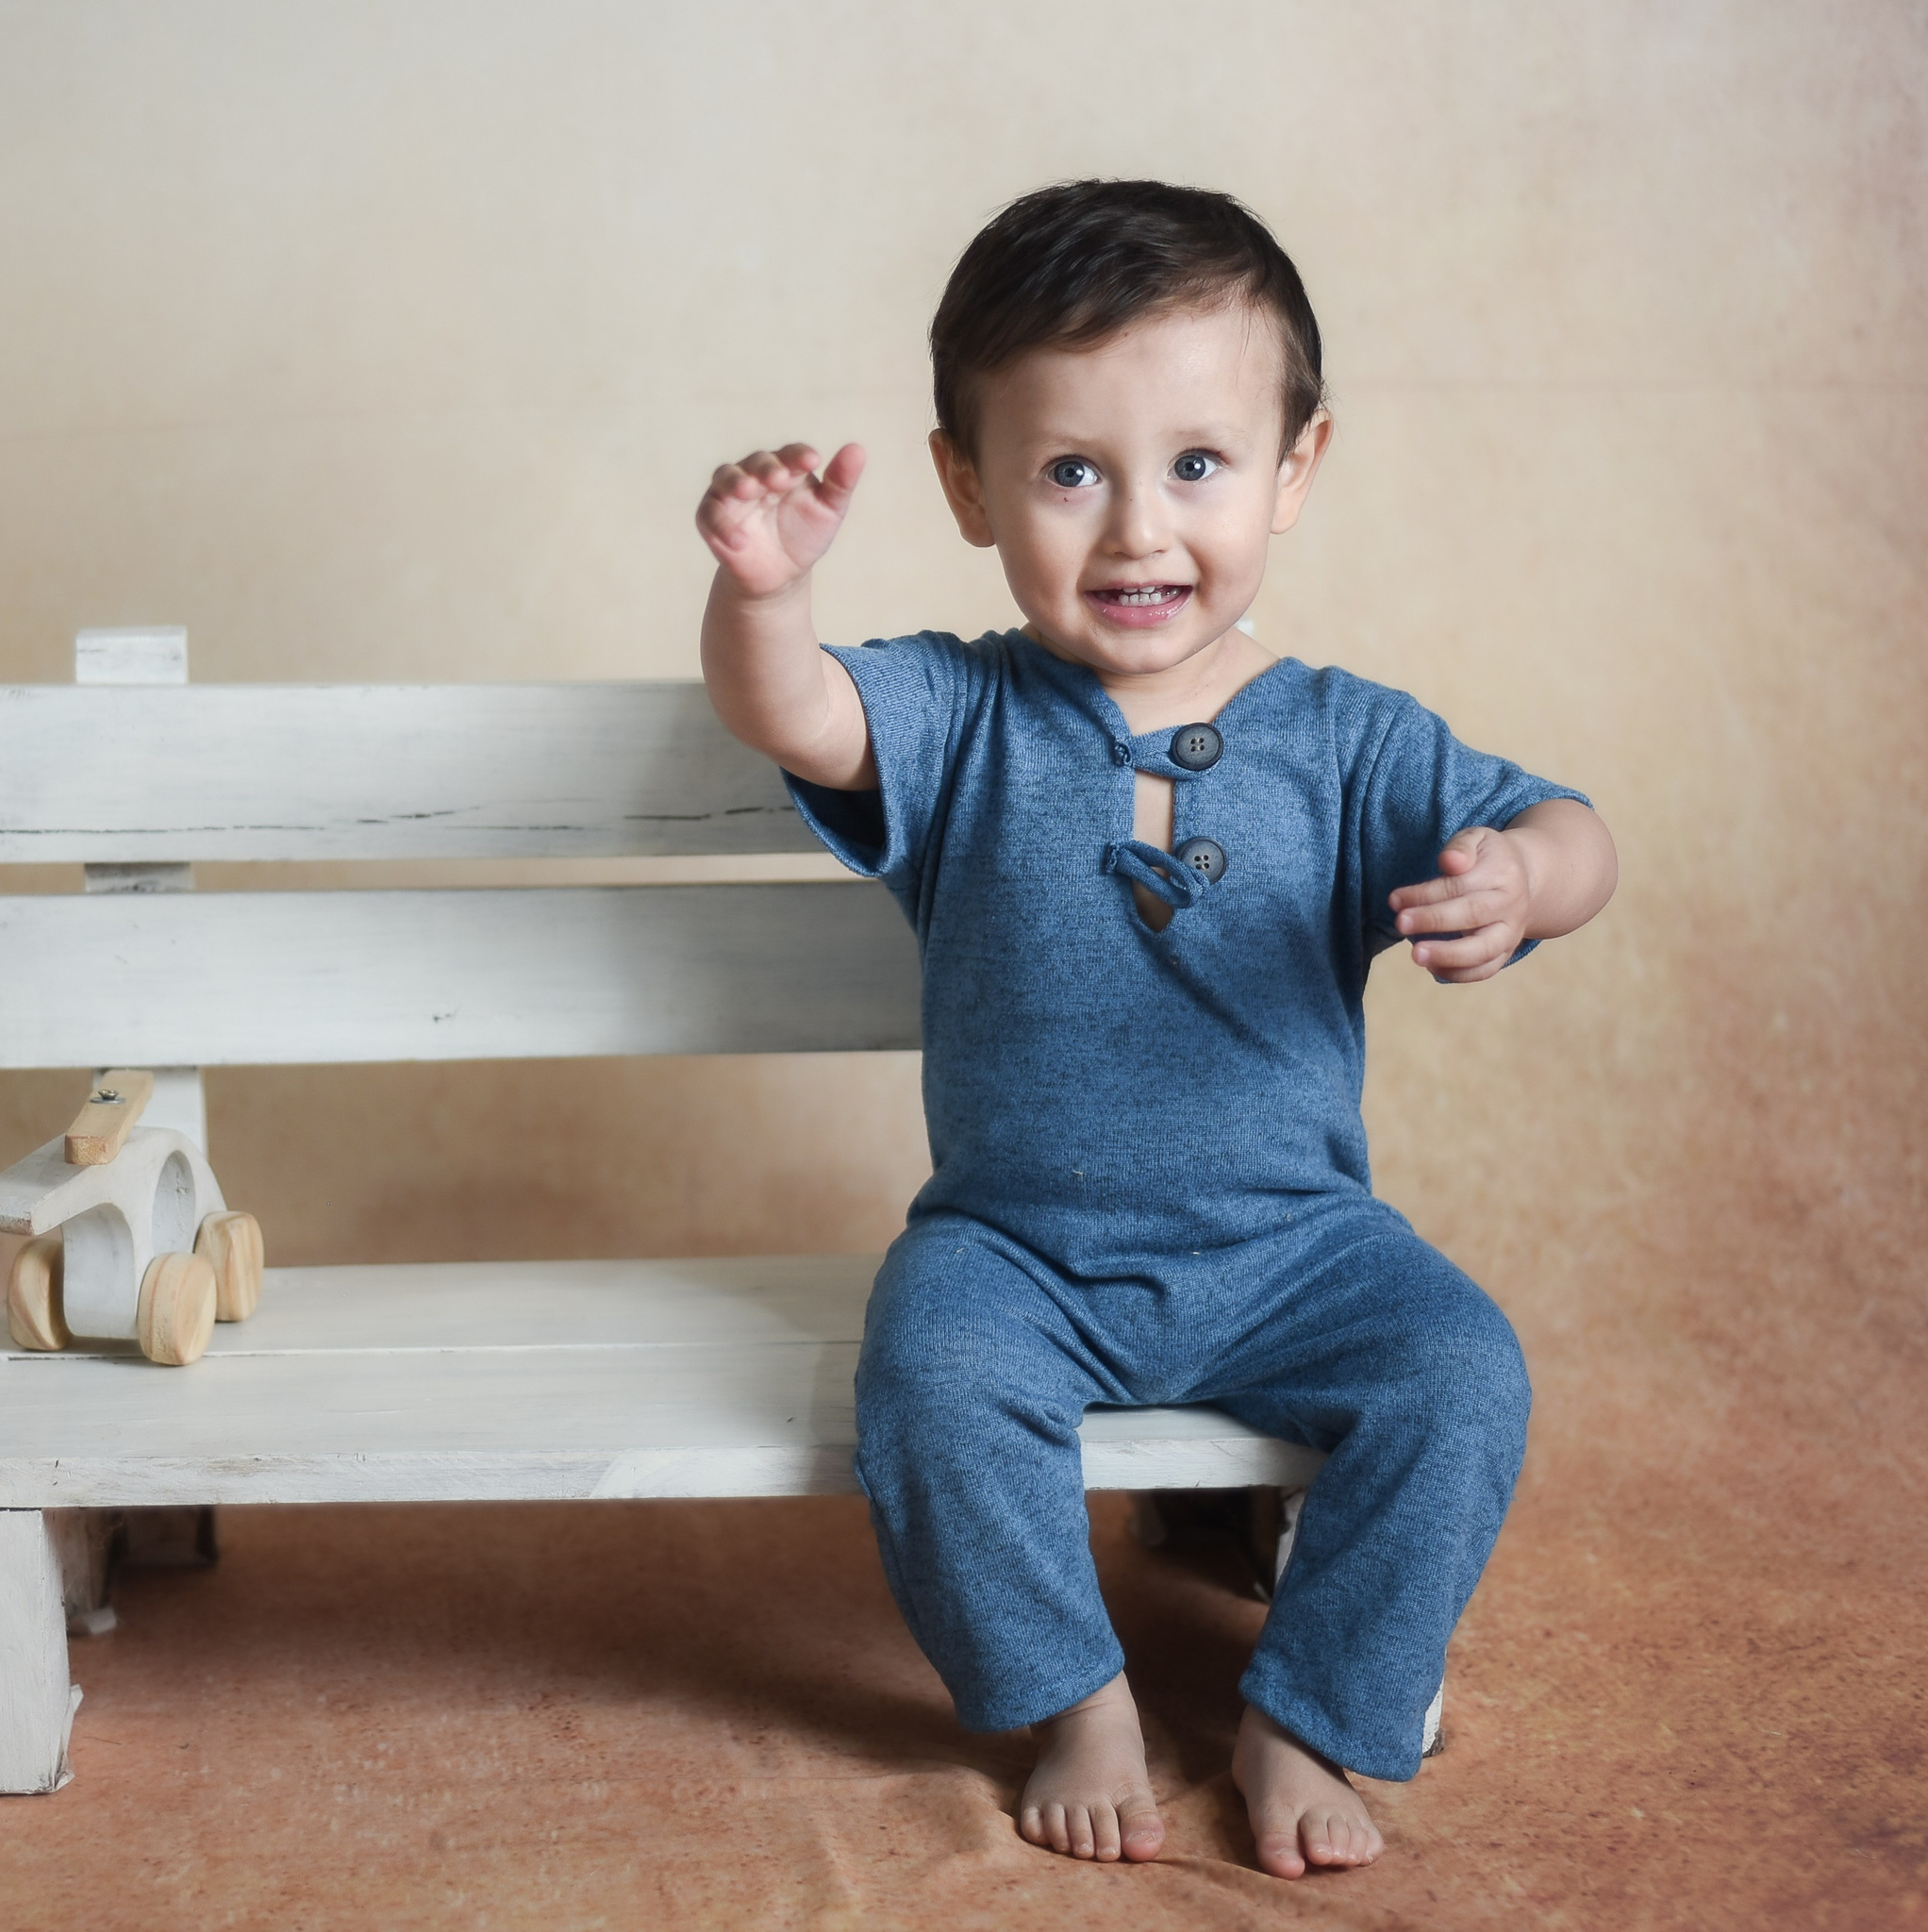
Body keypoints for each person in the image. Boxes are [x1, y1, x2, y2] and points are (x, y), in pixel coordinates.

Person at [691, 179, 1617, 1881]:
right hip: (1019, 1250)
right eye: (1069, 472)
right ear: (968, 487)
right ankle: (1075, 1697)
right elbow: (797, 715)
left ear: (1295, 469)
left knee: (1462, 1373)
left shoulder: (1348, 742)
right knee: (929, 1375)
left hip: (1297, 1247)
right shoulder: (960, 708)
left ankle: (1313, 1707)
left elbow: (1567, 822)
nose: (1137, 530)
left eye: (1197, 465)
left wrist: (1525, 881)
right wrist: (764, 593)